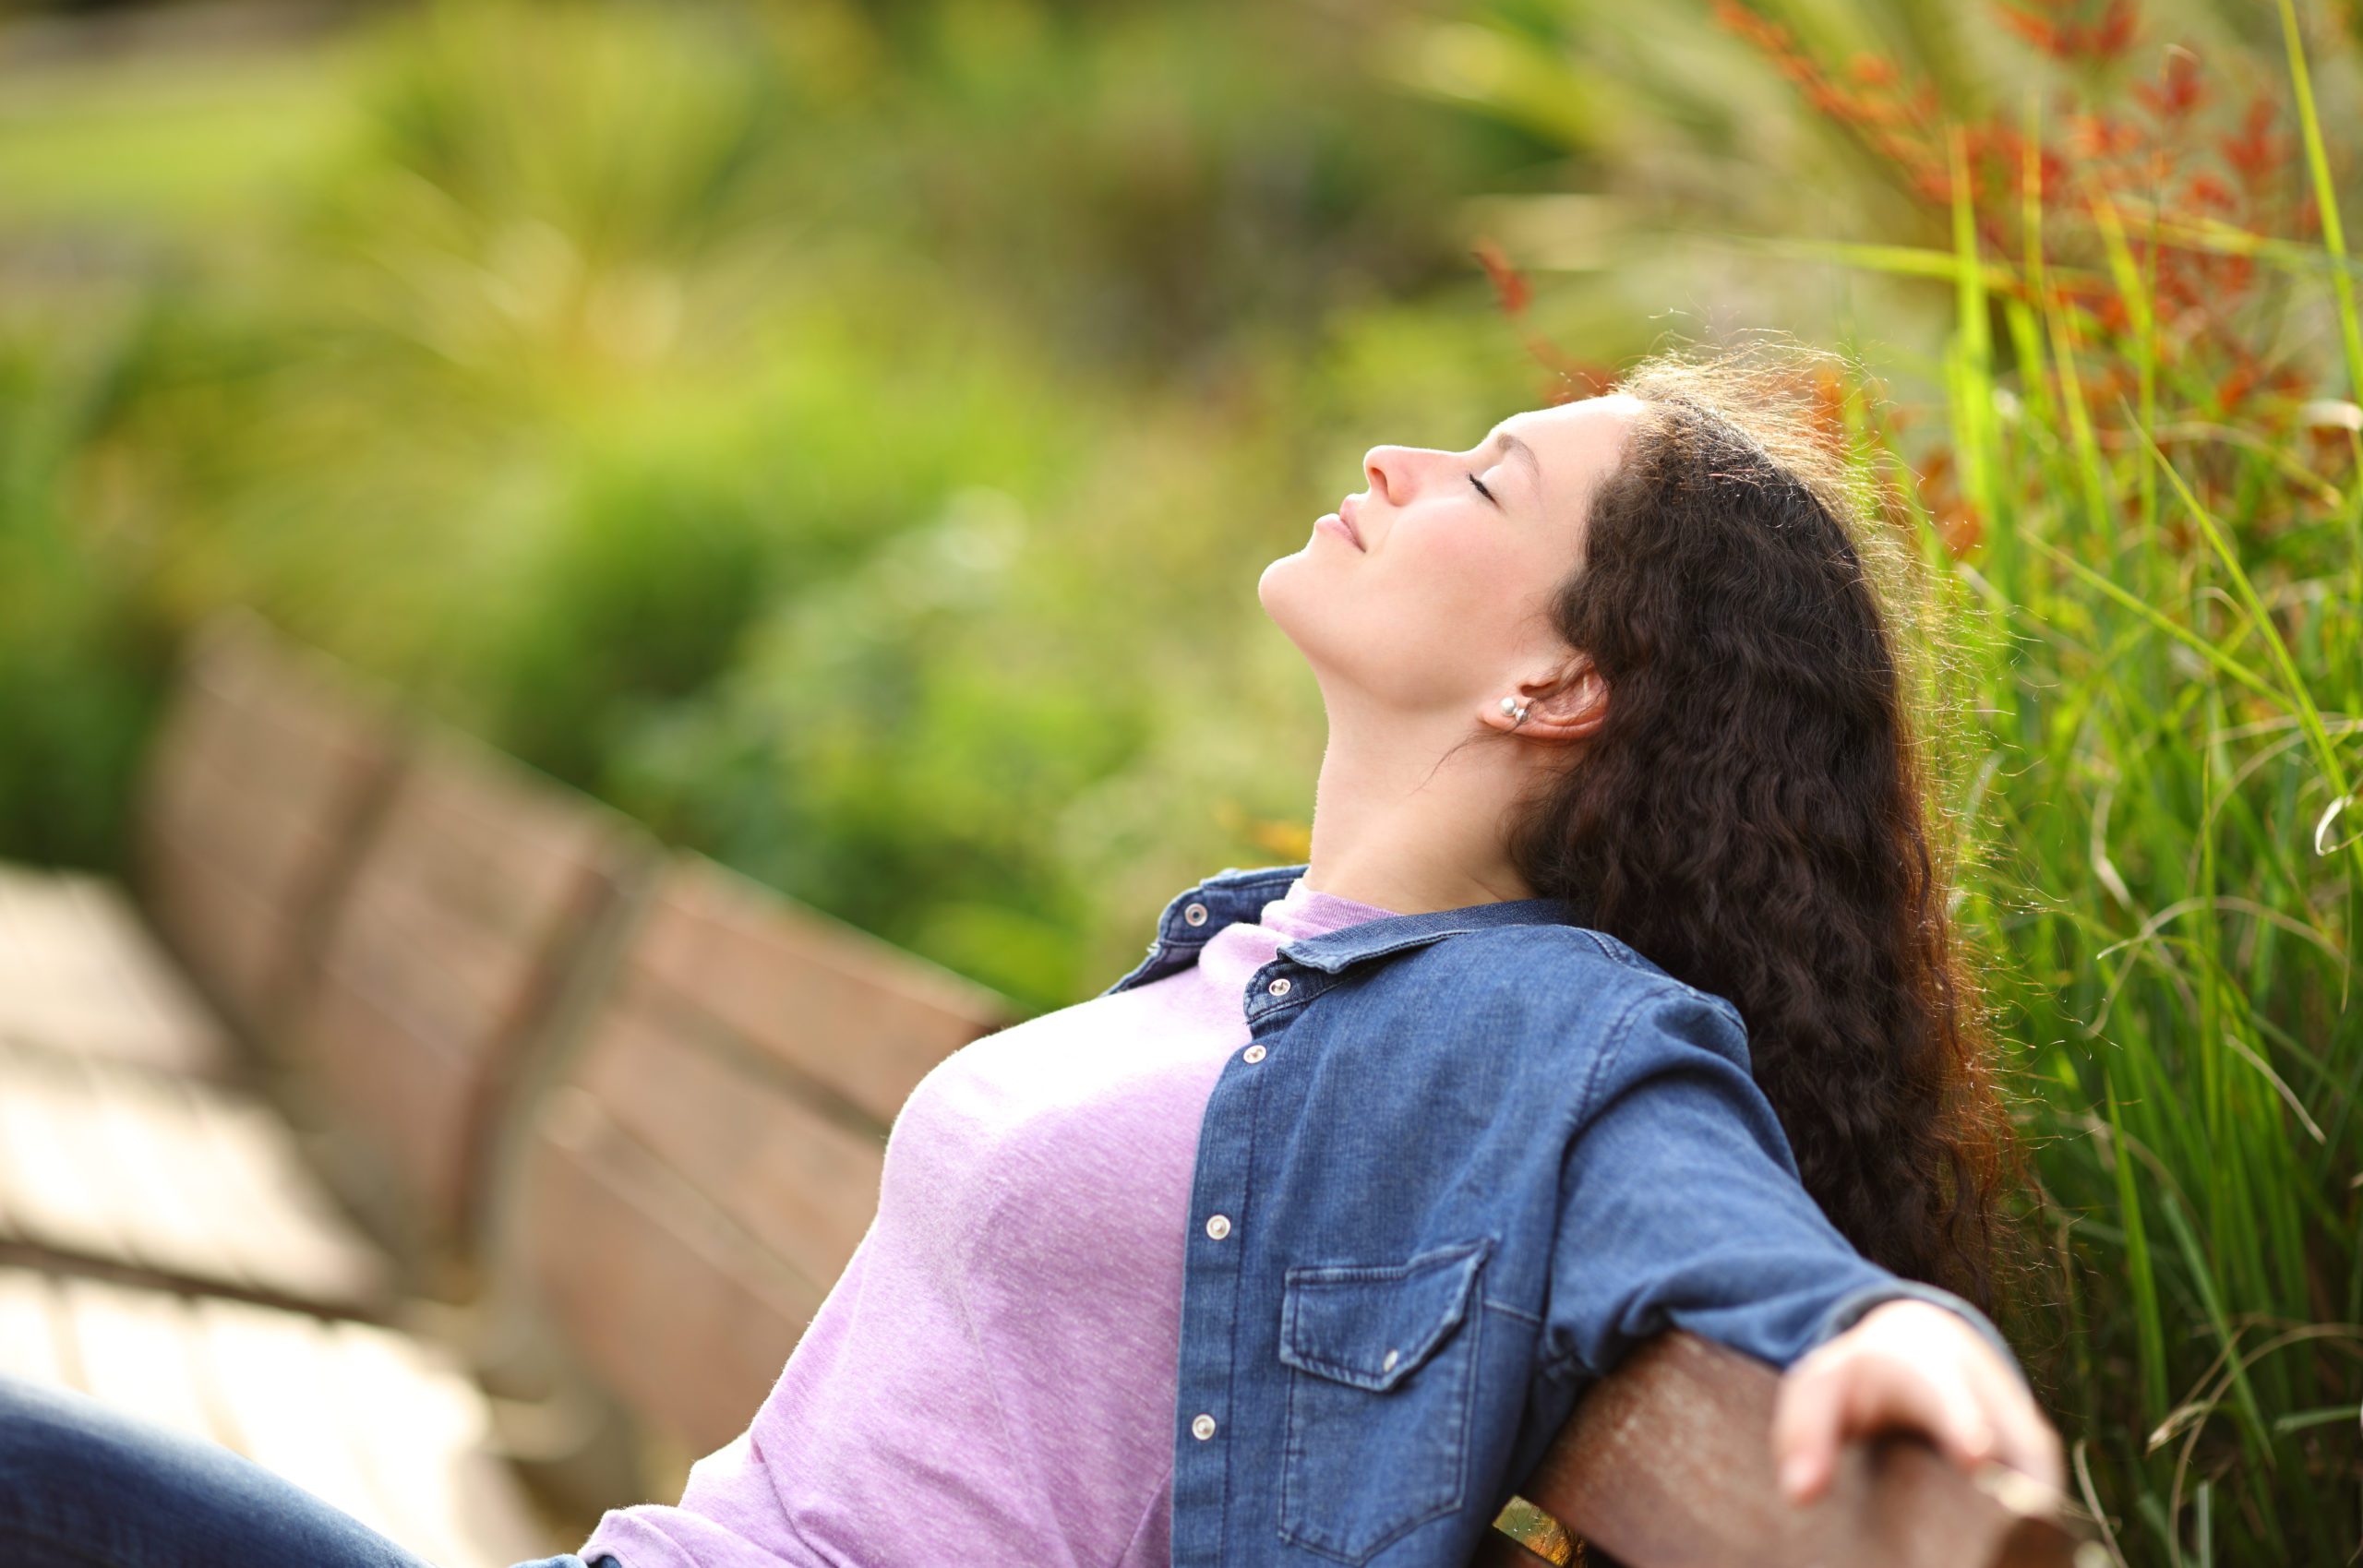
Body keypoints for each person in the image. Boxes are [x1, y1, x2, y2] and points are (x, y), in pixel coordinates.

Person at [0, 345, 2063, 1568]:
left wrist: (1901, 1346)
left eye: (1482, 478)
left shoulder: (1544, 1031)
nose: (1392, 462)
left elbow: (1742, 1244)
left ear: (1552, 677)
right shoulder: (1245, 954)